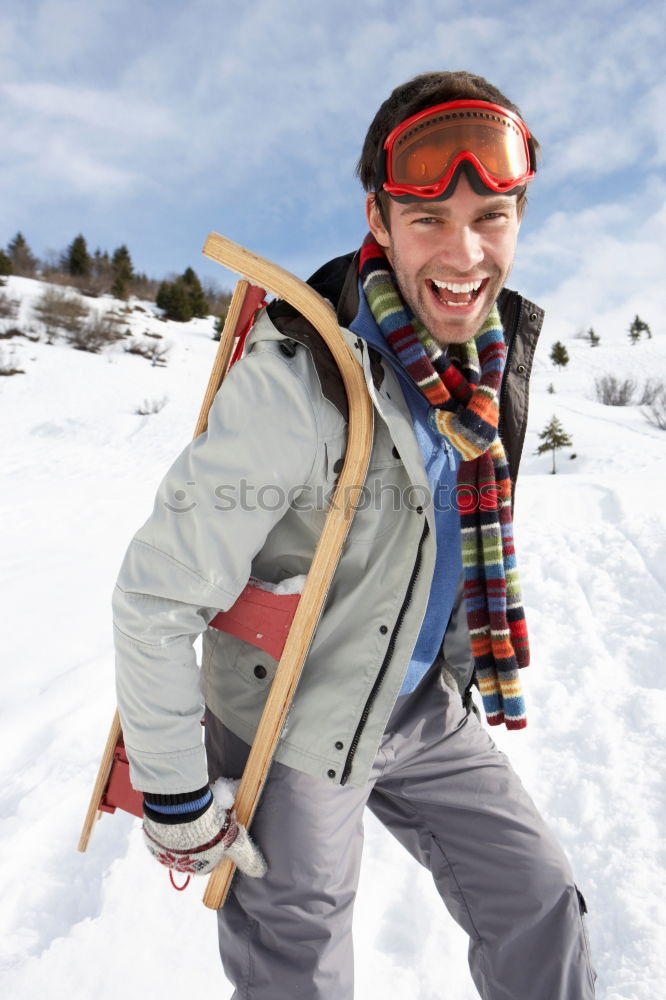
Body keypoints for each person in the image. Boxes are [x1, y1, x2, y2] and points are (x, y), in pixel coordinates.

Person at [113, 70, 597, 999]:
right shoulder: (303, 375)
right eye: (429, 220)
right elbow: (157, 593)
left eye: (492, 216)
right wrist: (175, 793)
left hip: (421, 706)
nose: (465, 253)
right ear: (378, 218)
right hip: (299, 720)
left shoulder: (488, 370)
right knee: (302, 966)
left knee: (541, 901)